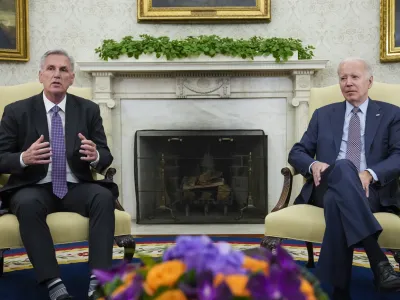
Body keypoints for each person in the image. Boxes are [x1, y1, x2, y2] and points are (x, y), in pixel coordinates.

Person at [0, 49, 118, 300]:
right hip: (34, 186)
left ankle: (98, 280)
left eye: (63, 70)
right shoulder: (16, 111)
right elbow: (1, 158)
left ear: (72, 78)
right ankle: (53, 283)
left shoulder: (88, 110)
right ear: (40, 75)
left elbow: (105, 156)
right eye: (51, 69)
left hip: (76, 186)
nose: (57, 75)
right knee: (27, 203)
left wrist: (95, 155)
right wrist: (23, 158)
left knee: (103, 197)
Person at [288, 57, 400, 299]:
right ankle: (378, 260)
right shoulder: (323, 114)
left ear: (369, 81)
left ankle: (340, 291)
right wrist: (313, 163)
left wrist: (370, 173)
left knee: (336, 201)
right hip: (325, 183)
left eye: (355, 77)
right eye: (343, 78)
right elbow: (297, 152)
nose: (348, 83)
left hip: (372, 190)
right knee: (341, 168)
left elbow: (399, 155)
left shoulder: (391, 114)